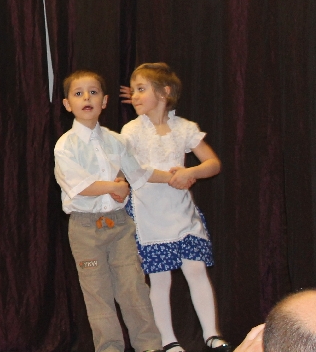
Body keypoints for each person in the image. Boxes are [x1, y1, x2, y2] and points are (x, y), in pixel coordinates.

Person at [54, 70, 166, 352]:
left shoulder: (116, 140)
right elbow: (79, 186)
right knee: (97, 294)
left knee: (133, 287)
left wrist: (173, 176)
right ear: (67, 104)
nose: (86, 98)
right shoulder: (65, 145)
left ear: (104, 101)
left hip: (119, 225)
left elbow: (137, 173)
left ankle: (149, 345)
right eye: (78, 94)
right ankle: (110, 347)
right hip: (85, 228)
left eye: (93, 92)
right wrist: (115, 186)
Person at [120, 63, 228, 352]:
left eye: (141, 89)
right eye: (134, 90)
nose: (135, 96)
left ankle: (212, 334)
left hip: (181, 213)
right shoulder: (132, 131)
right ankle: (168, 340)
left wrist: (191, 172)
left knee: (196, 268)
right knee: (159, 278)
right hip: (150, 215)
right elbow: (132, 170)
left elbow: (213, 163)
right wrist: (170, 177)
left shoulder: (184, 128)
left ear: (164, 92)